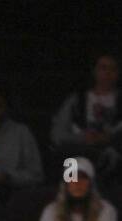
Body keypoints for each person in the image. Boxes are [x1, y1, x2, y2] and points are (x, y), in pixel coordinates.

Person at [50, 53, 121, 184]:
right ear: (95, 71)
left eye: (113, 69)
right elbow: (57, 135)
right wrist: (83, 138)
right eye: (103, 68)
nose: (108, 73)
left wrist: (109, 138)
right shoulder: (76, 100)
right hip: (80, 153)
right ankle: (72, 196)